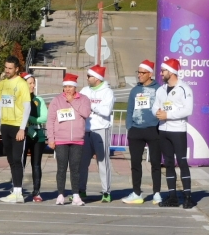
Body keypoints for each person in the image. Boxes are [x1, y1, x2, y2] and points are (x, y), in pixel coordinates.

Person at [152, 58, 194, 209]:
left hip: (178, 130)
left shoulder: (185, 89)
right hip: (163, 130)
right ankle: (172, 197)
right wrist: (157, 112)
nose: (161, 73)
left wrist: (168, 116)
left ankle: (188, 197)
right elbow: (155, 105)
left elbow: (188, 110)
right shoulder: (161, 89)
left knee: (182, 162)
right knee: (168, 163)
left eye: (163, 71)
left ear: (171, 72)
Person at [47, 73, 92, 206]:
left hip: (77, 140)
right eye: (65, 86)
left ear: (75, 88)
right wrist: (51, 138)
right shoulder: (57, 100)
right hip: (61, 139)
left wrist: (72, 101)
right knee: (61, 168)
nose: (67, 89)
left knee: (75, 168)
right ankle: (60, 194)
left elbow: (86, 113)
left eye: (70, 87)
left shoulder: (83, 99)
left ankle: (76, 195)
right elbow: (51, 120)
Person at [0, 55, 31, 203]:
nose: (7, 70)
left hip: (18, 126)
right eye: (6, 68)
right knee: (10, 159)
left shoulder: (22, 84)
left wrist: (22, 128)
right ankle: (14, 189)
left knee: (17, 159)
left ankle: (18, 192)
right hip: (6, 126)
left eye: (10, 68)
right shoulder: (2, 84)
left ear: (16, 69)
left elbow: (27, 107)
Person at [123, 60, 160, 205]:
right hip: (136, 130)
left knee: (156, 163)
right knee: (135, 163)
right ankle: (136, 192)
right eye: (138, 72)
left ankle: (156, 192)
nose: (139, 75)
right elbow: (129, 109)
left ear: (150, 74)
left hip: (153, 129)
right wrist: (129, 126)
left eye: (142, 73)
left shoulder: (159, 89)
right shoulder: (135, 90)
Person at [78, 65, 115, 203]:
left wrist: (90, 105)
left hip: (101, 130)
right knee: (82, 162)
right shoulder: (84, 90)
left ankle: (106, 191)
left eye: (89, 76)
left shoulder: (107, 92)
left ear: (97, 78)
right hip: (85, 130)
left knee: (102, 161)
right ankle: (81, 190)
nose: (87, 78)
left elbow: (106, 111)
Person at [21, 72, 47, 202]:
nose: (32, 86)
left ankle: (36, 191)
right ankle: (17, 189)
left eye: (33, 83)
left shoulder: (38, 100)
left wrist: (29, 118)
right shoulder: (19, 99)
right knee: (20, 162)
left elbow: (44, 117)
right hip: (23, 134)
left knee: (36, 164)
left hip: (37, 135)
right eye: (30, 83)